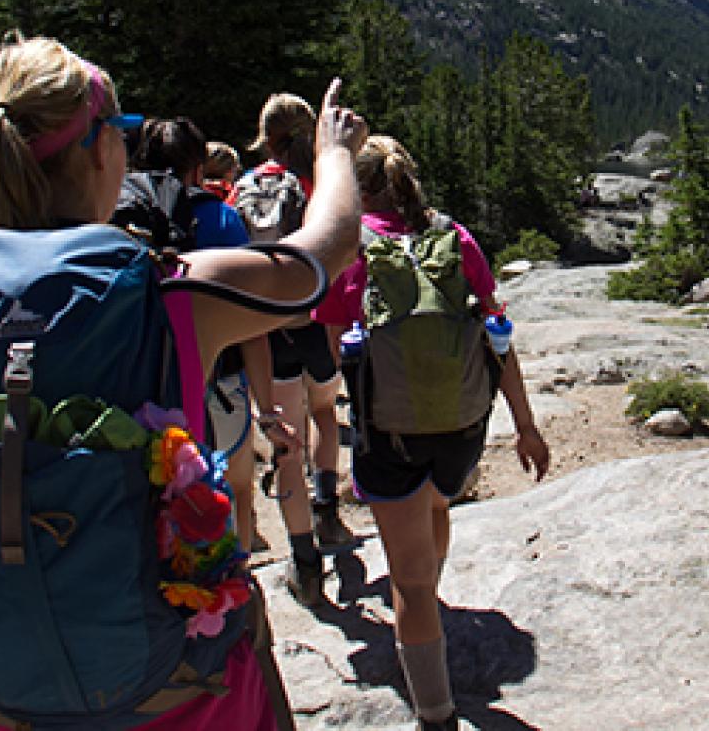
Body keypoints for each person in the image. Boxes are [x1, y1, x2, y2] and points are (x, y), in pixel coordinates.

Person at [0, 36, 367, 730]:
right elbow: (323, 254)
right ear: (97, 150)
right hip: (181, 699)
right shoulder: (172, 295)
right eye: (119, 135)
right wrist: (333, 153)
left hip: (1, 708)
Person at [312, 135, 550, 731]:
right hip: (461, 426)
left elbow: (329, 347)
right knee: (437, 503)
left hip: (389, 431)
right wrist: (525, 426)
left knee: (409, 588)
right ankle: (430, 594)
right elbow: (499, 336)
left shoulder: (353, 249)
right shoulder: (456, 237)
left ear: (357, 189)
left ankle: (436, 713)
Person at [116, 116, 292, 554]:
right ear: (197, 168)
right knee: (237, 489)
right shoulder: (220, 218)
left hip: (142, 386)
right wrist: (268, 409)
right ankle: (237, 588)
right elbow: (250, 322)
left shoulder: (116, 216)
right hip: (221, 381)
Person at [230, 93, 356, 609]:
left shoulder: (241, 188)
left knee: (286, 444)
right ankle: (328, 507)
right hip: (313, 322)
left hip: (267, 329)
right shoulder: (316, 185)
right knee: (325, 413)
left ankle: (305, 562)